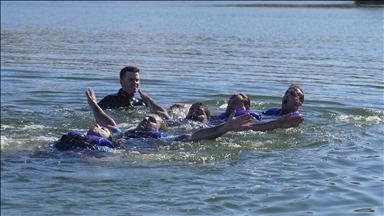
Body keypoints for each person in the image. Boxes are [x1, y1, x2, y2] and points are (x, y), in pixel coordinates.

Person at [88, 88, 253, 142]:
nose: (145, 119)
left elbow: (195, 135)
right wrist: (94, 105)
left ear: (160, 128)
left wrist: (226, 127)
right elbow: (109, 124)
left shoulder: (164, 140)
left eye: (151, 119)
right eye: (145, 118)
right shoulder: (127, 133)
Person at [139, 89, 304, 133]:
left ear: (246, 108)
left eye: (236, 103)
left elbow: (253, 127)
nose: (231, 105)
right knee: (164, 119)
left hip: (216, 129)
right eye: (229, 102)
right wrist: (186, 106)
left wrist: (276, 124)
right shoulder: (219, 116)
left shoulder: (244, 118)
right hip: (209, 126)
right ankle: (149, 101)